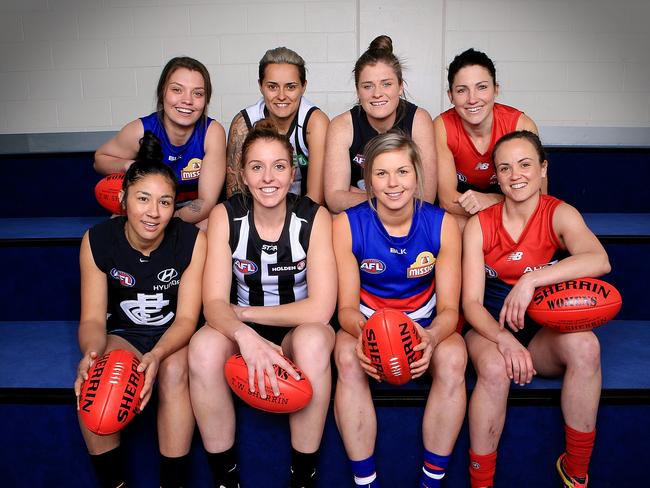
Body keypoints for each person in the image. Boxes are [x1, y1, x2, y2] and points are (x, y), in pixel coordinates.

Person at [188, 120, 337, 488]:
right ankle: (226, 478)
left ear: (293, 171)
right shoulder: (226, 215)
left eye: (279, 166)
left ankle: (303, 477)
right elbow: (214, 303)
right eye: (257, 167)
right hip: (242, 331)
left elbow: (320, 310)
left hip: (293, 330)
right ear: (241, 173)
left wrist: (246, 316)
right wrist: (244, 334)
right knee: (204, 347)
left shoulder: (314, 218)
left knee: (314, 342)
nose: (268, 178)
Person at [462, 130, 610, 488]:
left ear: (543, 168)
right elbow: (470, 304)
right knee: (496, 369)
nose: (517, 175)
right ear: (496, 176)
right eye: (506, 168)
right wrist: (504, 340)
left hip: (542, 331)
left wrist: (532, 280)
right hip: (489, 330)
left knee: (587, 346)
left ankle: (575, 470)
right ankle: (481, 482)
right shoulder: (480, 225)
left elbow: (599, 260)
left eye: (526, 164)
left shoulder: (559, 213)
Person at [332, 131, 466, 487]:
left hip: (424, 321)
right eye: (381, 173)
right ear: (368, 180)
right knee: (346, 358)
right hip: (365, 320)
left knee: (454, 359)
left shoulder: (442, 225)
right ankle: (366, 481)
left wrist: (432, 337)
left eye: (402, 172)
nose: (393, 184)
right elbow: (345, 307)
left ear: (417, 175)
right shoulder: (346, 224)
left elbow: (451, 309)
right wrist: (370, 336)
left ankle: (431, 480)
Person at [74, 131, 207, 488]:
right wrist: (91, 352)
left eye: (165, 202)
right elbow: (90, 318)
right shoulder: (98, 240)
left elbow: (188, 319)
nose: (153, 212)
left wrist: (159, 355)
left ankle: (173, 482)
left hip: (172, 336)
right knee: (97, 381)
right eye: (143, 199)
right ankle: (114, 482)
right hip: (125, 335)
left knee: (175, 372)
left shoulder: (192, 240)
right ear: (122, 199)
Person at [95, 56, 226, 229]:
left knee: (213, 224)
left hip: (188, 211)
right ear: (162, 92)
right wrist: (129, 166)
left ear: (206, 100)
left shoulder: (212, 132)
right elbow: (99, 160)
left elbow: (205, 202)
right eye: (177, 90)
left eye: (198, 93)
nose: (187, 100)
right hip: (148, 207)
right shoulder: (141, 130)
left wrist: (165, 220)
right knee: (115, 228)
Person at [324, 35, 437, 213]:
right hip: (361, 219)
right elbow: (335, 199)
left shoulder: (419, 120)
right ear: (357, 90)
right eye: (368, 86)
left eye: (386, 84)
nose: (377, 93)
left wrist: (359, 194)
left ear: (400, 86)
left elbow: (426, 197)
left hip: (409, 219)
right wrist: (395, 196)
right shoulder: (341, 126)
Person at [434, 48, 540, 229]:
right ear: (450, 96)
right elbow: (447, 200)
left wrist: (492, 200)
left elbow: (537, 197)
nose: (472, 99)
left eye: (481, 87)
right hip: (467, 211)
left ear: (495, 90)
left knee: (527, 224)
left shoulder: (521, 126)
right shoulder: (442, 127)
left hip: (508, 208)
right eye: (462, 90)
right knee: (454, 226)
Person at [225, 47, 329, 203]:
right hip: (257, 211)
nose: (281, 96)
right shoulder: (243, 123)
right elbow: (235, 198)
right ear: (260, 86)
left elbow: (316, 198)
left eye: (291, 87)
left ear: (303, 86)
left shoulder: (315, 123)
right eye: (272, 87)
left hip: (303, 211)